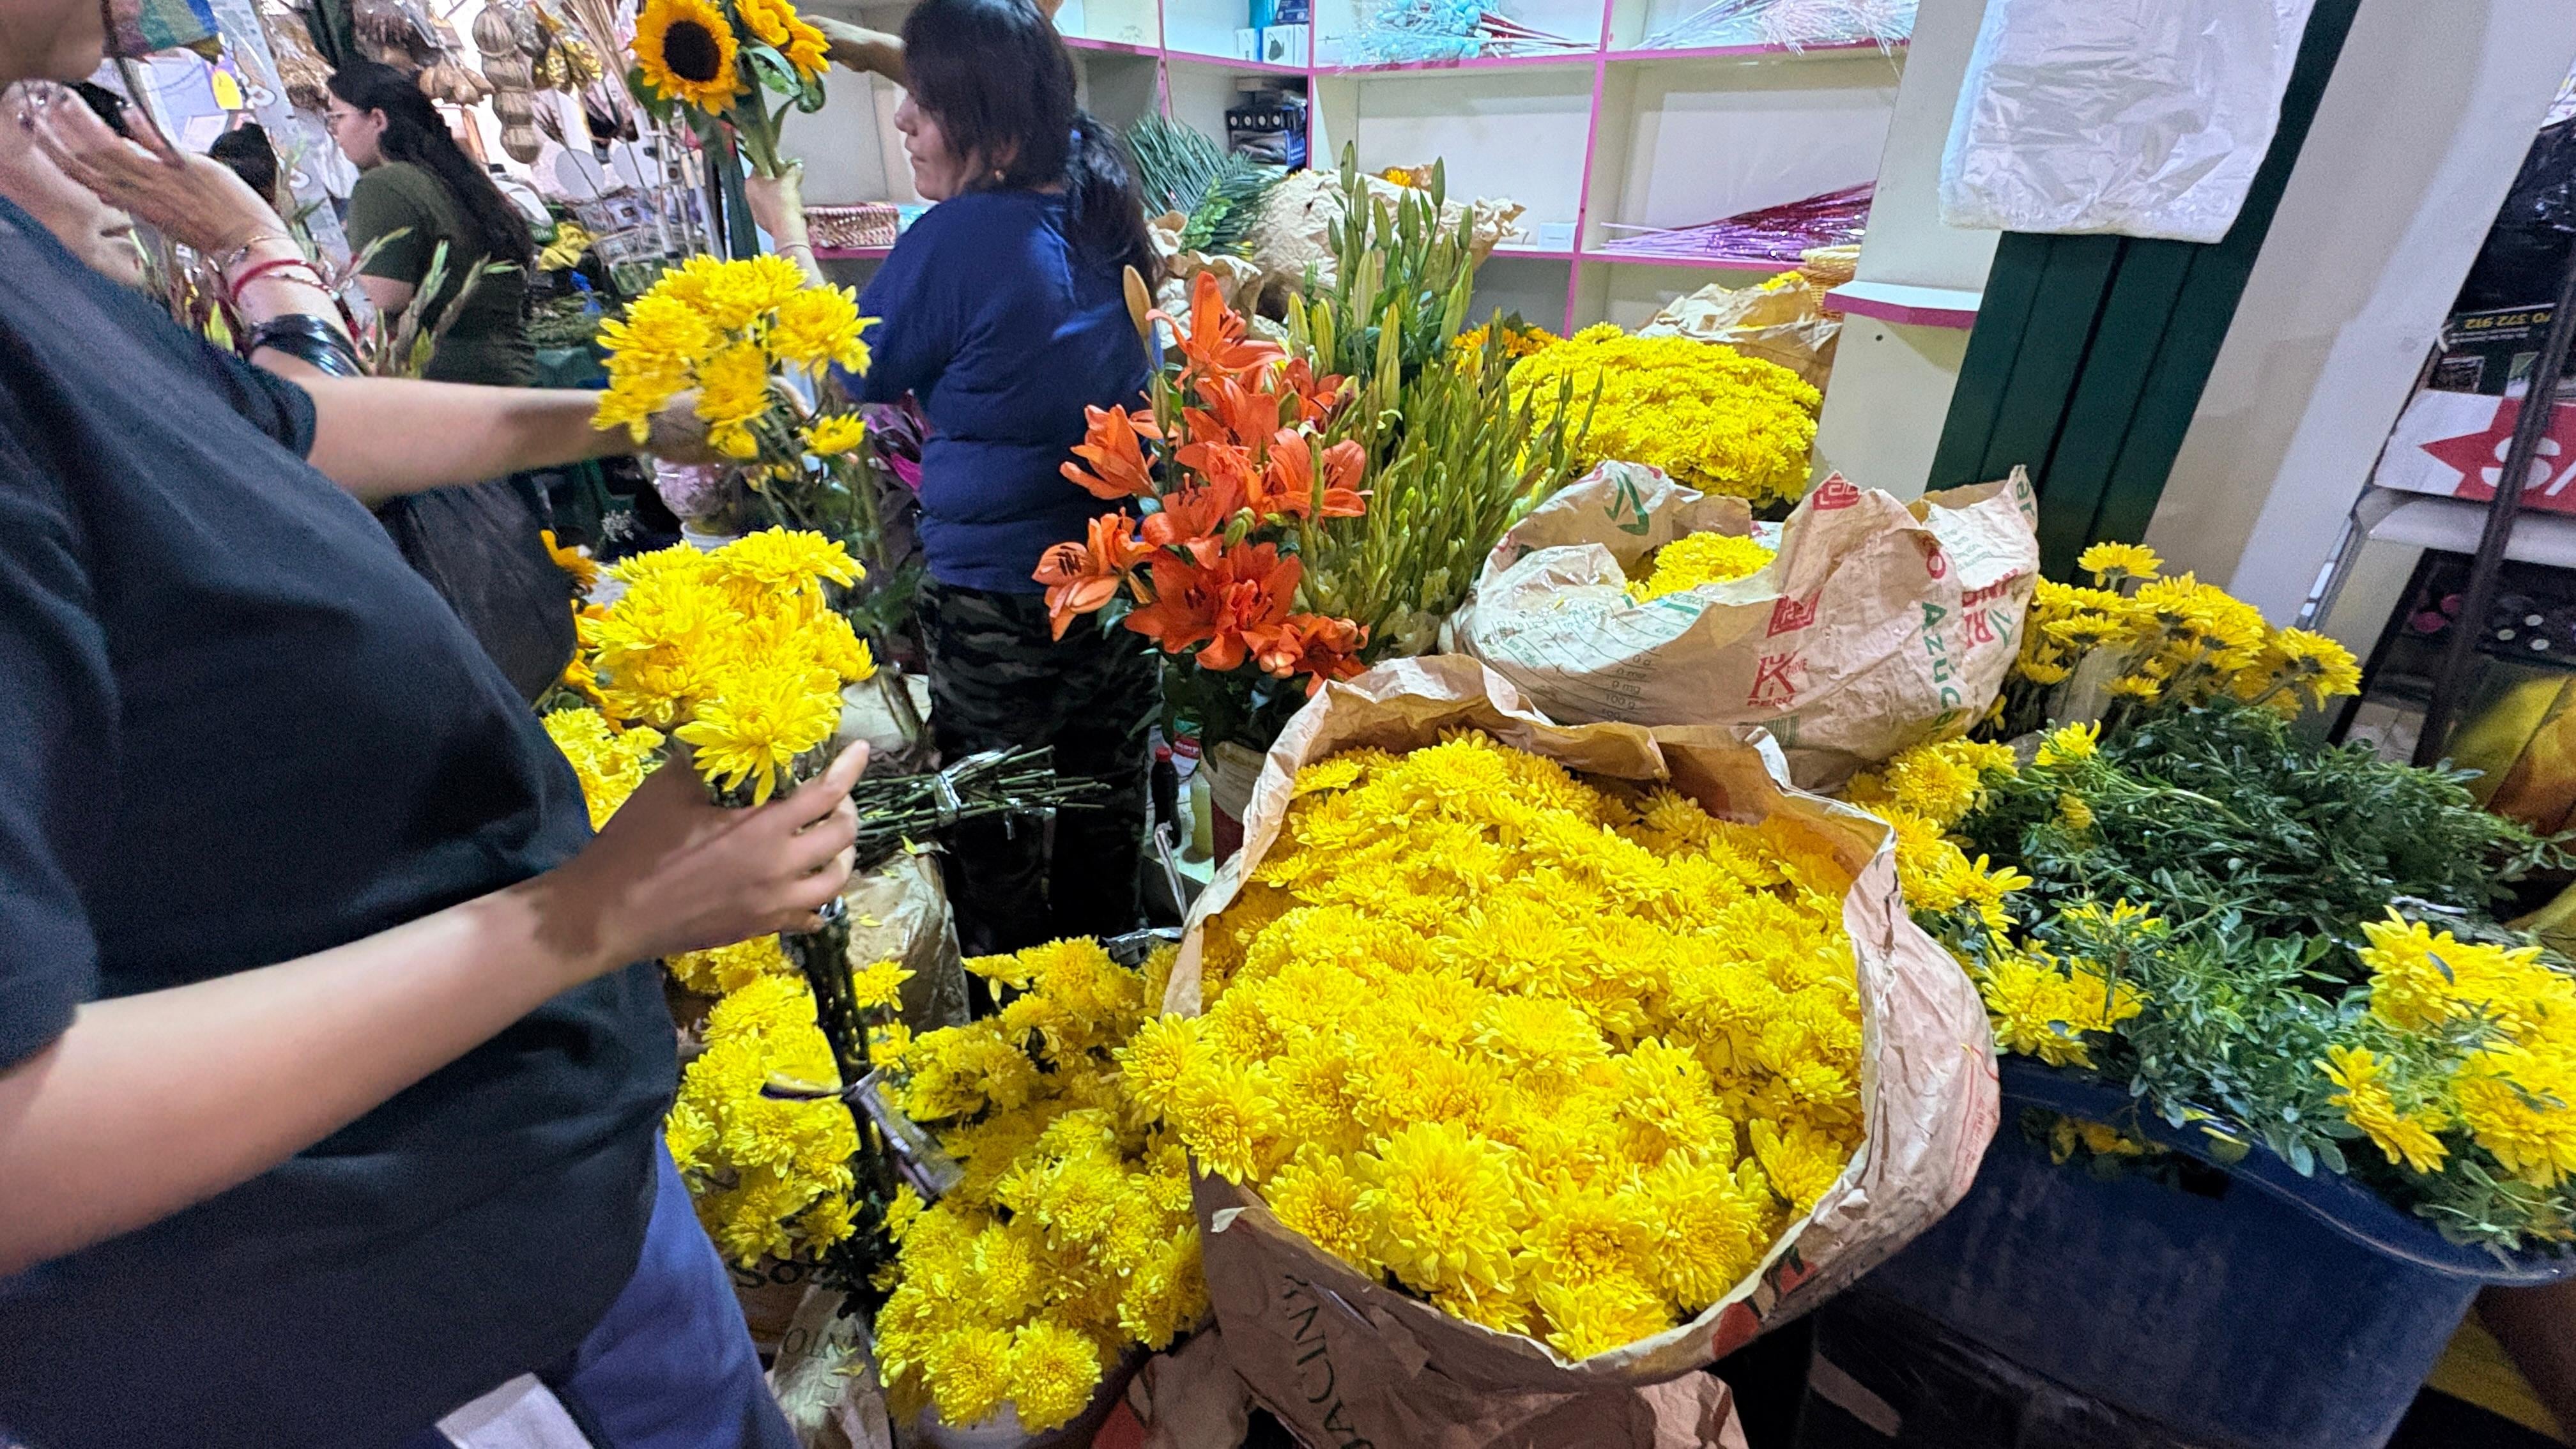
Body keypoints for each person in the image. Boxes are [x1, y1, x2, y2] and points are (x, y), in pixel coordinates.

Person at [0, 15, 850, 1446]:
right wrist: (596, 912)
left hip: (533, 1202)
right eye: (46, 114)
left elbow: (280, 428)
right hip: (374, 1328)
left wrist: (635, 416)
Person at [800, 0, 1160, 959]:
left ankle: (1014, 1016)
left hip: (1002, 603)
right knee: (1104, 816)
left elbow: (843, 373)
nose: (903, 119)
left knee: (996, 831)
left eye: (926, 104)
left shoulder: (959, 239)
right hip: (1123, 583)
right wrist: (872, 48)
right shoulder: (1101, 203)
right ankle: (1108, 1003)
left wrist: (786, 232)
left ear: (993, 129)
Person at [325, 59, 579, 702]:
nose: (334, 133)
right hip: (505, 377)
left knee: (485, 573)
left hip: (447, 397)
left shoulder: (385, 186)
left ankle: (524, 692)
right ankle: (556, 672)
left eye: (338, 118)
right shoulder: (455, 176)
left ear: (376, 119)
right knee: (523, 543)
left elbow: (385, 297)